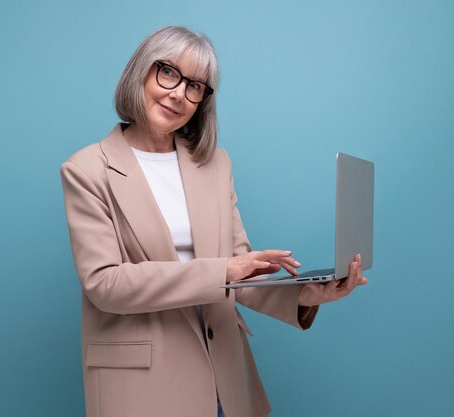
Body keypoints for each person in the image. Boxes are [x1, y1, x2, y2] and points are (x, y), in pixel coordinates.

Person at [60, 25, 367, 417]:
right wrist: (224, 269)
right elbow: (105, 284)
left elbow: (239, 271)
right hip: (143, 386)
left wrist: (306, 296)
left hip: (224, 375)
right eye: (168, 72)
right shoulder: (86, 170)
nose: (179, 94)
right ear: (140, 71)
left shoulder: (214, 164)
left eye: (196, 86)